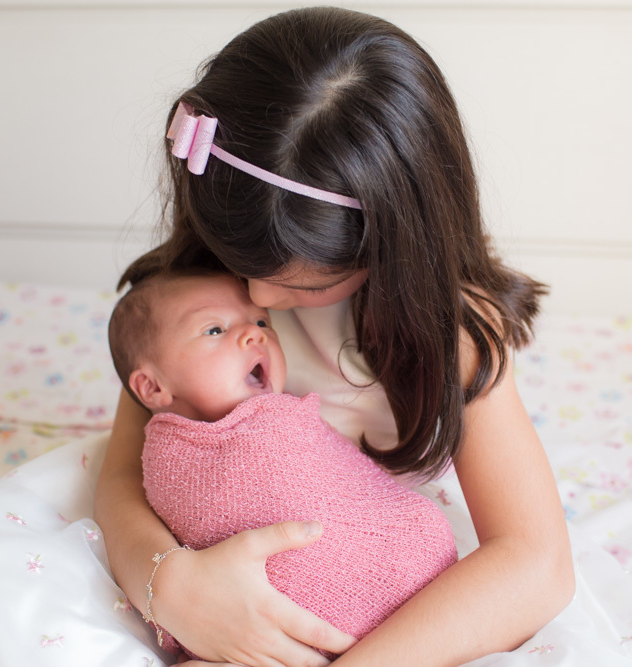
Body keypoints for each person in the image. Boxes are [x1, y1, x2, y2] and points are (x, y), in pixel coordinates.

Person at [95, 7, 575, 665]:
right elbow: (122, 478)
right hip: (204, 580)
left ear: (393, 244)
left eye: (302, 284)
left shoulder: (454, 336)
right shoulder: (197, 294)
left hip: (374, 602)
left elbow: (536, 561)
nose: (259, 299)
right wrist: (174, 588)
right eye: (245, 265)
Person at [106, 270, 459, 657]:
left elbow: (343, 484)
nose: (254, 334)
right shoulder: (176, 455)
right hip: (256, 618)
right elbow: (142, 498)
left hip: (426, 604)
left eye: (262, 323)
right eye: (214, 330)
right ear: (153, 387)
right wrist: (175, 589)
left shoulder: (454, 320)